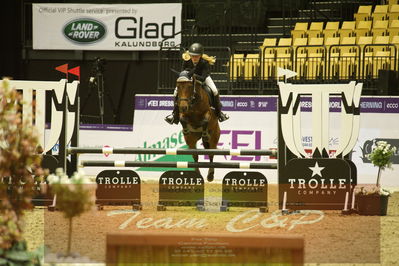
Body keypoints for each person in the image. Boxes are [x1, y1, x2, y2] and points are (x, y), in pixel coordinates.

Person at [165, 43, 229, 125]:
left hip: (203, 78)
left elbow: (203, 77)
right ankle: (174, 115)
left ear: (201, 55)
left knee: (215, 90)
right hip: (189, 79)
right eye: (192, 56)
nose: (194, 58)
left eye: (196, 56)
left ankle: (219, 113)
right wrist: (188, 76)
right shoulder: (186, 61)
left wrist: (194, 76)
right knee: (176, 92)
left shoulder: (204, 62)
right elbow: (183, 73)